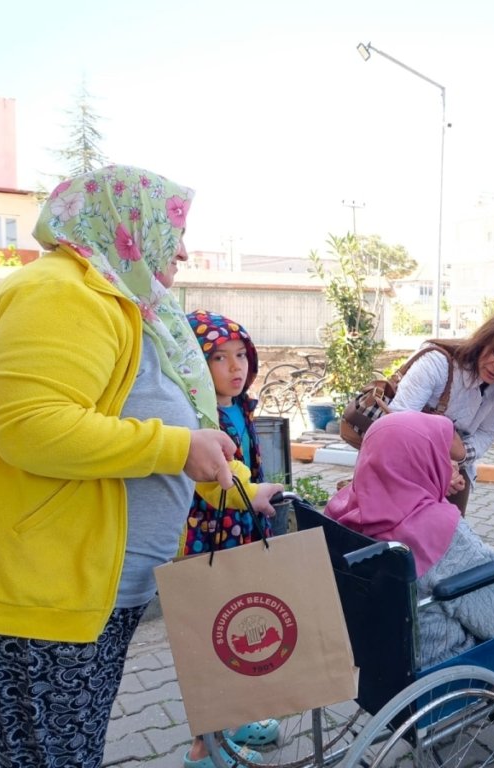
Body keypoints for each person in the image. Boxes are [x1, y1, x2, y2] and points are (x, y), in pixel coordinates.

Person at [0, 165, 245, 768]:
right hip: (36, 599)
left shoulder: (131, 307)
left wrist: (239, 484)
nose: (185, 250)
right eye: (173, 230)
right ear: (127, 227)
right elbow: (32, 426)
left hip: (91, 595)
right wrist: (176, 449)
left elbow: (165, 426)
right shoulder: (60, 292)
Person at [325, 411, 494, 721]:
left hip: (374, 660)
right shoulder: (434, 529)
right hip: (437, 661)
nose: (451, 467)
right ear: (420, 462)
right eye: (441, 457)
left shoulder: (343, 511)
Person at [182, 309, 286, 767]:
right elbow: (212, 477)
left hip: (238, 536)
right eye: (218, 358)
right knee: (211, 642)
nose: (235, 367)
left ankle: (239, 721)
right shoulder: (199, 416)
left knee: (242, 633)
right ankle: (205, 749)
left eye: (241, 355)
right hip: (206, 543)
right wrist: (254, 491)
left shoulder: (238, 408)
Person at [388, 308, 494, 513]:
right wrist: (440, 461)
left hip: (456, 475)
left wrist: (462, 454)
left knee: (450, 539)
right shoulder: (437, 362)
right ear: (485, 339)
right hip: (401, 467)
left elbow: (487, 433)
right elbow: (396, 423)